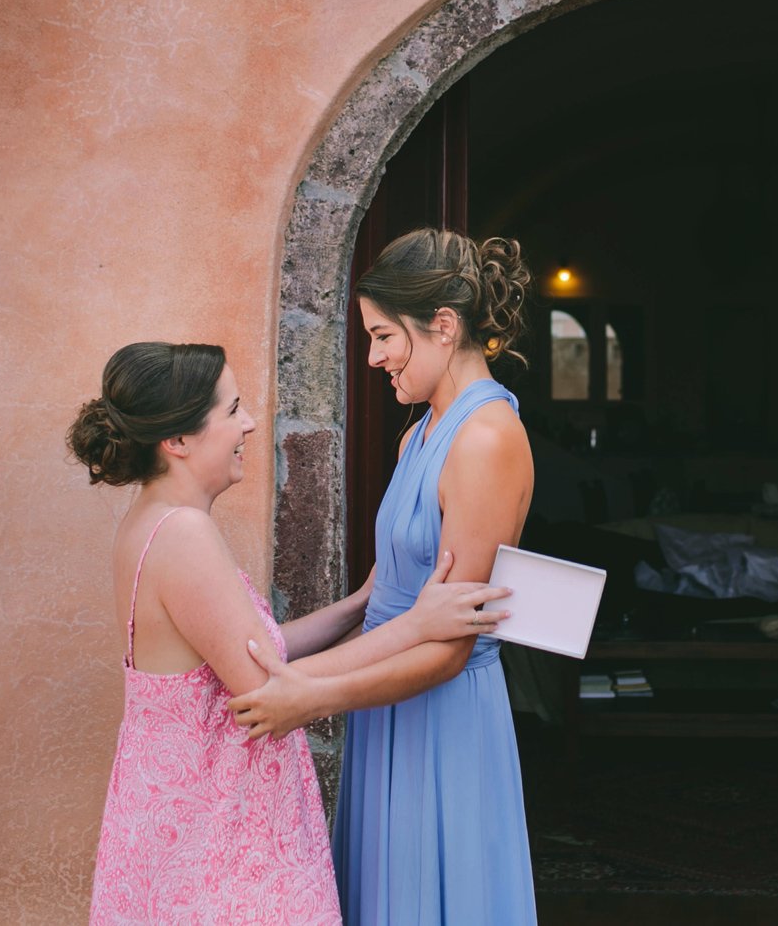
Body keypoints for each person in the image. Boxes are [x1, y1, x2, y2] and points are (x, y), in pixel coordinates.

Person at [69, 341, 509, 925]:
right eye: (231, 412)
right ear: (176, 441)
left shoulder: (156, 520)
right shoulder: (182, 535)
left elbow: (256, 647)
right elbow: (267, 688)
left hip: (187, 825)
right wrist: (416, 626)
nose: (249, 423)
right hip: (216, 840)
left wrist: (359, 605)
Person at [226, 229, 538, 926]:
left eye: (383, 337)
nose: (373, 359)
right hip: (385, 708)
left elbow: (450, 643)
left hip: (443, 713)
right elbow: (390, 591)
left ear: (444, 328)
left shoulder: (485, 438)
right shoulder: (419, 431)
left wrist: (311, 696)